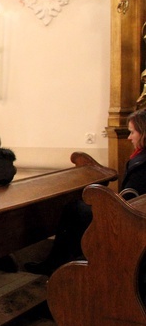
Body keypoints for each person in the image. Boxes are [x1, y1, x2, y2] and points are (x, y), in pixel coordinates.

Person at [26, 109, 146, 275]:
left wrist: (105, 201)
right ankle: (69, 260)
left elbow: (130, 200)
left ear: (143, 133)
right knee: (78, 209)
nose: (129, 137)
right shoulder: (140, 158)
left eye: (132, 132)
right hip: (132, 216)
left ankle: (62, 263)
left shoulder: (141, 164)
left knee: (74, 208)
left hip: (129, 222)